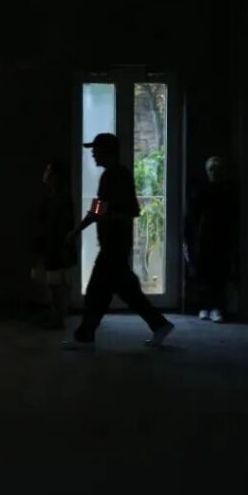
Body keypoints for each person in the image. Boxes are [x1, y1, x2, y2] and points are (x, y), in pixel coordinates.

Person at [65, 133, 174, 348]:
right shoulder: (111, 176)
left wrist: (80, 229)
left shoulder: (116, 176)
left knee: (97, 291)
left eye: (96, 150)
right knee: (125, 290)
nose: (93, 154)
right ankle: (159, 324)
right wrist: (79, 229)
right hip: (115, 244)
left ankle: (85, 336)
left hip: (114, 245)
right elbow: (99, 208)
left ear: (108, 152)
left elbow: (128, 210)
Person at [184, 156, 238, 323]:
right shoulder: (202, 191)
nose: (214, 173)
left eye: (217, 170)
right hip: (204, 236)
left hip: (220, 237)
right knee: (204, 272)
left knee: (218, 274)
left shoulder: (227, 192)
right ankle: (206, 306)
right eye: (211, 170)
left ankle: (215, 307)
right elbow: (192, 216)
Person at [30, 159, 77, 329]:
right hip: (51, 246)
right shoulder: (53, 198)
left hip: (56, 247)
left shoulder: (60, 199)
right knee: (52, 283)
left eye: (48, 171)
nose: (45, 174)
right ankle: (56, 315)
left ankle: (58, 317)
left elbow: (60, 226)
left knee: (56, 284)